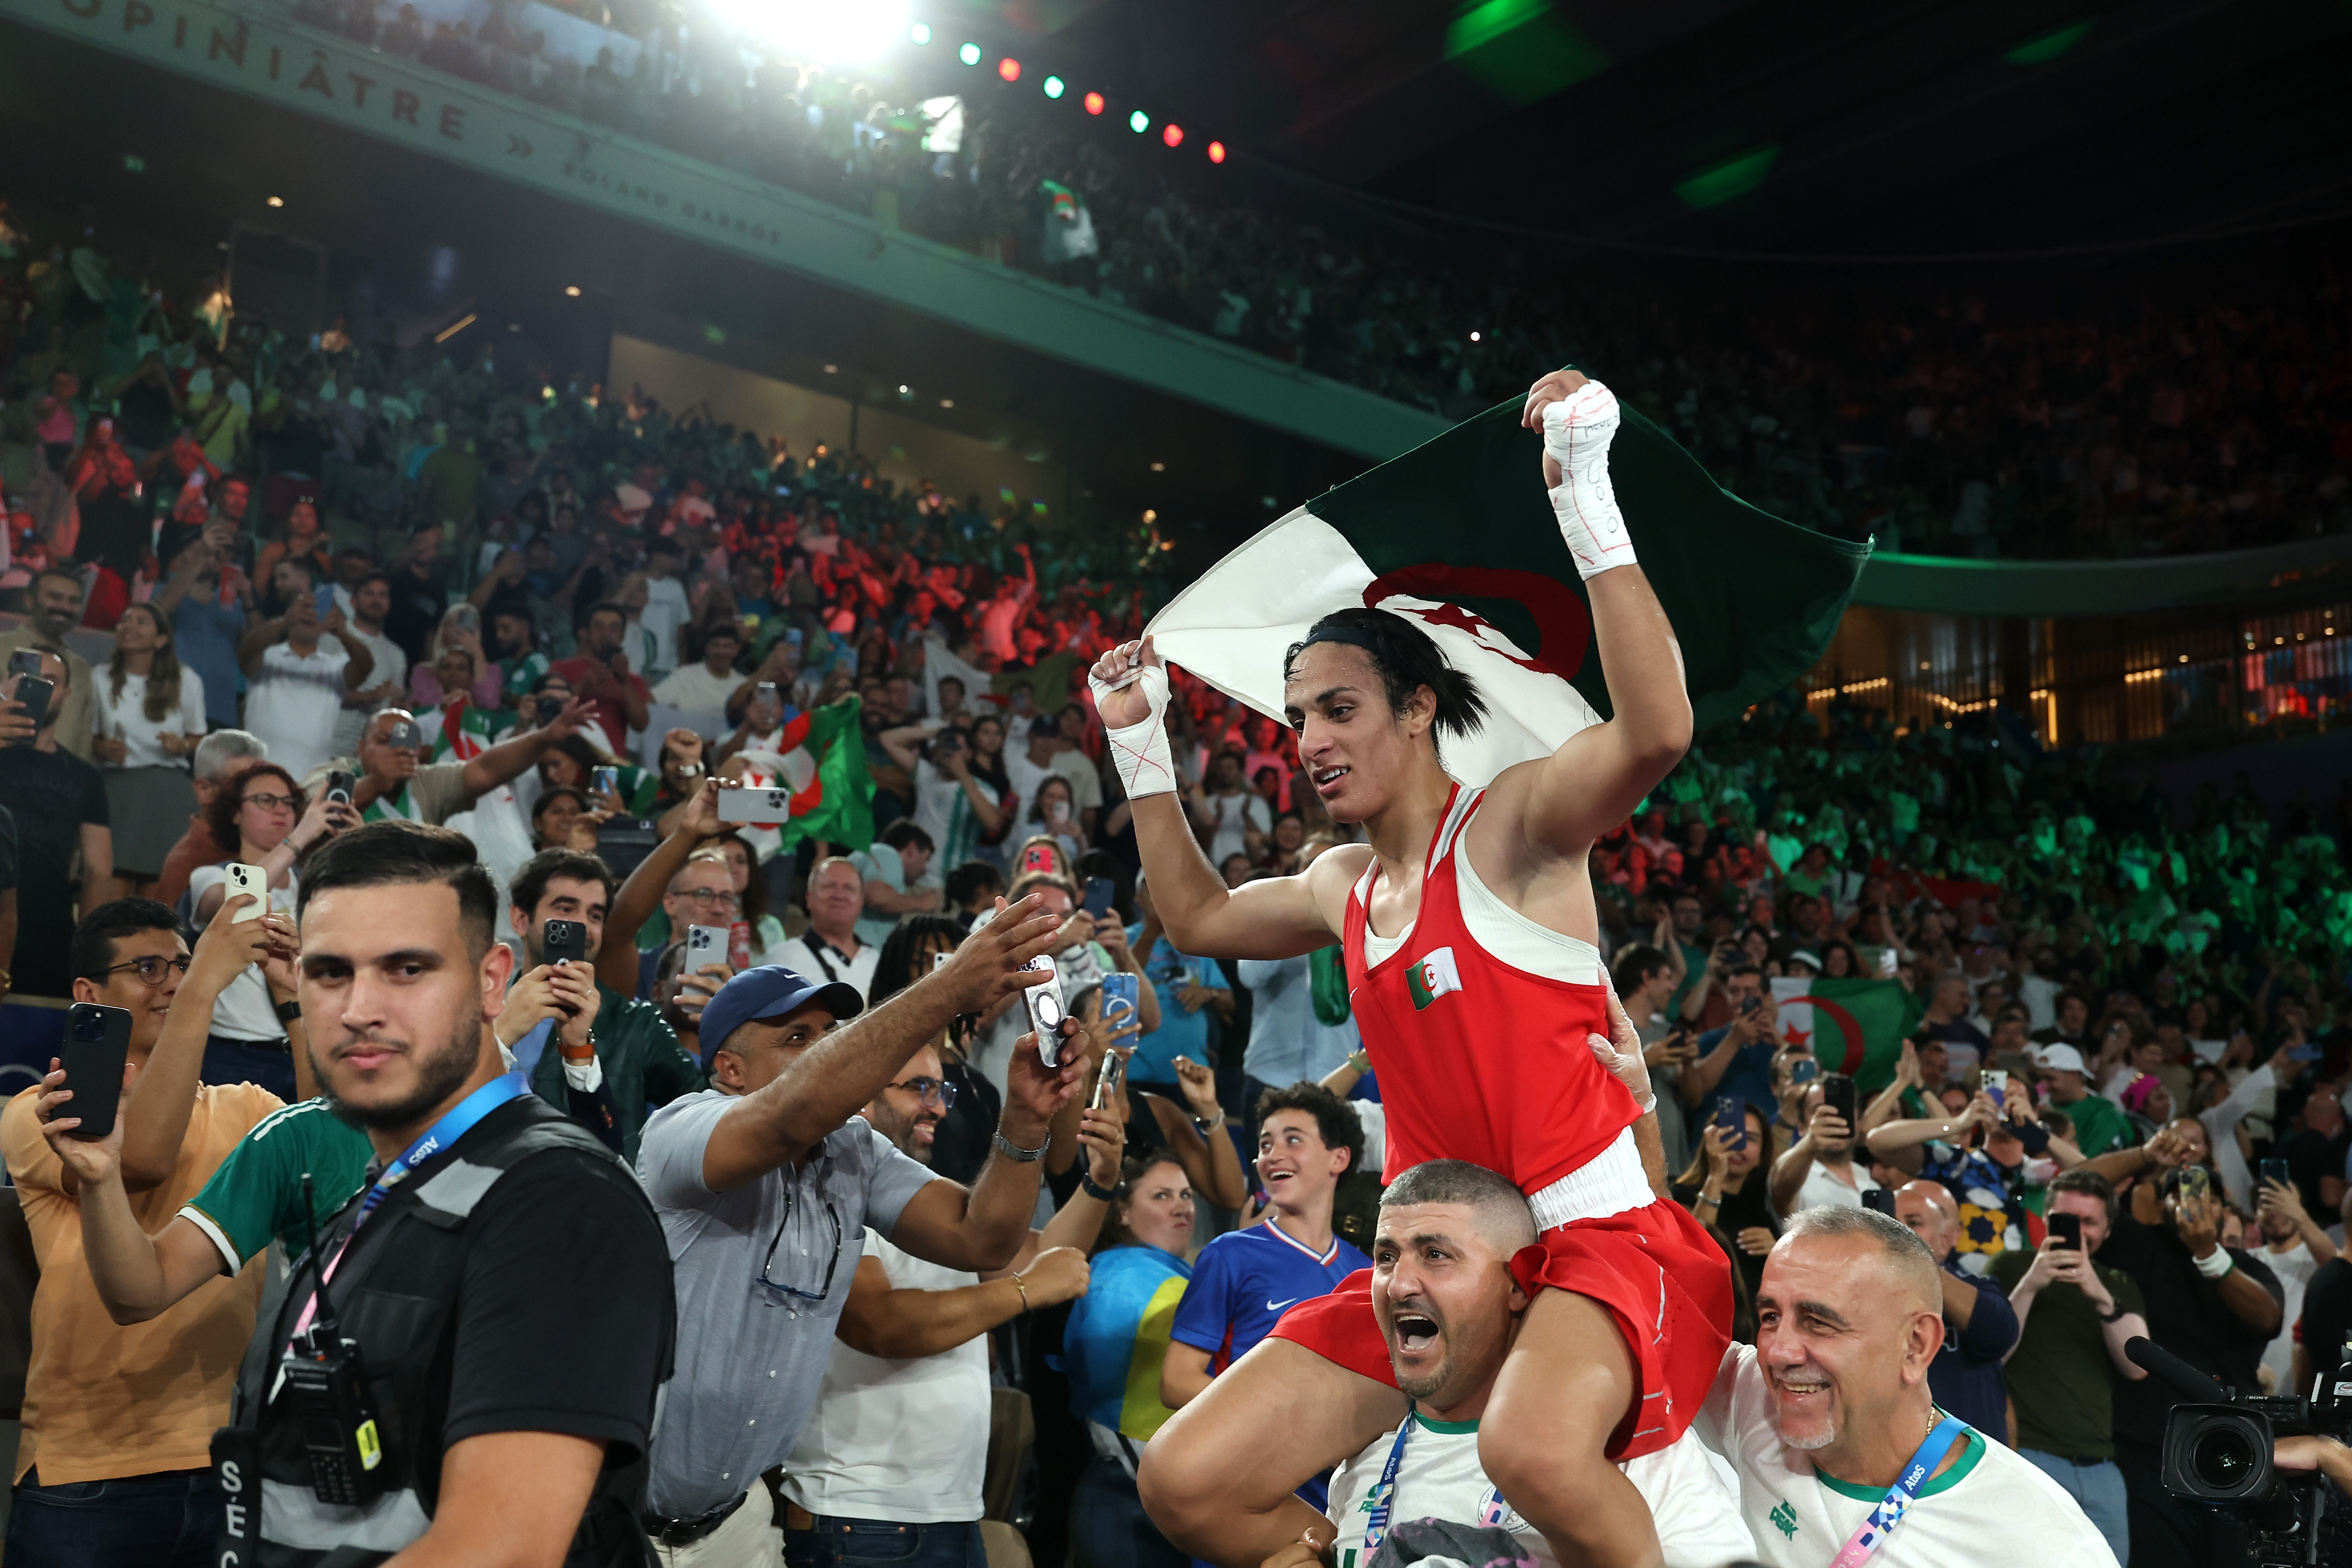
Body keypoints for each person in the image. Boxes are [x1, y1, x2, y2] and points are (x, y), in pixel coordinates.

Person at [1104, 368, 1731, 1568]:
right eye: (1296, 717)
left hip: (1591, 1238)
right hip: (1436, 1258)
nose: (1311, 741)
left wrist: (1584, 496)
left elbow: (1655, 730)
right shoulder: (1342, 884)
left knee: (1536, 1456)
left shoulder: (1512, 827)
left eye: (1337, 708)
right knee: (1184, 1478)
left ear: (1417, 709)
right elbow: (1189, 917)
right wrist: (1140, 740)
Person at [183, 820, 676, 1562]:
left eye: (407, 969)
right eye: (329, 972)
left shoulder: (560, 1199)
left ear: (490, 979)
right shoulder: (399, 1181)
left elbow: (500, 1549)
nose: (359, 1009)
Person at [634, 895, 1085, 1563]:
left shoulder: (853, 1150)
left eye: (830, 1033)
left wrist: (1023, 1120)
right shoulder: (682, 1130)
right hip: (626, 1516)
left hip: (739, 1522)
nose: (825, 1050)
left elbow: (979, 1238)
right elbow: (790, 1113)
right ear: (730, 1070)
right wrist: (947, 988)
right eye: (797, 1038)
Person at [6, 897, 295, 1567]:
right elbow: (140, 1161)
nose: (171, 979)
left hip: (230, 1460)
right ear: (89, 994)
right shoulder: (41, 1112)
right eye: (148, 967)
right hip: (89, 1475)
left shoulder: (247, 1106)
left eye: (183, 965)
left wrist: (296, 1001)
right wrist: (200, 989)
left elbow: (336, 1144)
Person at [1295, 1162, 1751, 1568]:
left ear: (1517, 1283)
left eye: (1435, 1255)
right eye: (1386, 1258)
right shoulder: (1363, 1463)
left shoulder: (1636, 1460)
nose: (1398, 1285)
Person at [778, 1042, 1125, 1567]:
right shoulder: (828, 1198)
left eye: (941, 1089)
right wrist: (1023, 1291)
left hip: (946, 1514)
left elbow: (1049, 1255)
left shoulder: (935, 1208)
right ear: (859, 1100)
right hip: (859, 1517)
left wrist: (1098, 1183)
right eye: (917, 1087)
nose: (938, 1106)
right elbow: (882, 1325)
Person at [1698, 1205, 2120, 1567]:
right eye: (1770, 1316)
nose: (1778, 1353)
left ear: (1916, 1346)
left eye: (1818, 1323)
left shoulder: (2040, 1540)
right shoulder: (1750, 1395)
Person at [2104, 1165, 2285, 1568]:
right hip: (2146, 1454)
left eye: (2210, 1198)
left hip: (2229, 1453)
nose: (2196, 1204)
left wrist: (2208, 1255)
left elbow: (2268, 1319)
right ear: (2160, 1204)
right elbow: (2081, 1186)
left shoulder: (2245, 1267)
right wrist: (2144, 1154)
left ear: (2224, 1211)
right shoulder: (2140, 1246)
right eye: (2181, 1193)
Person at [1163, 1084, 1371, 1430]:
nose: (1273, 1154)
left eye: (1293, 1139)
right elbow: (1177, 1381)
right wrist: (1284, 1421)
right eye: (1265, 1144)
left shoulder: (1367, 1274)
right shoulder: (1228, 1254)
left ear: (1339, 1158)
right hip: (1250, 1477)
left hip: (1334, 1481)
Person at [504, 847, 706, 1161]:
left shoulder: (638, 1025)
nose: (582, 927)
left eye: (595, 915)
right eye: (566, 908)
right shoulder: (473, 1013)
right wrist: (497, 1036)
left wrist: (724, 1025)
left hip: (596, 1198)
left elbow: (712, 1112)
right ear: (520, 919)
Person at [1990, 1169, 2149, 1565]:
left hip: (2101, 1467)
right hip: (2027, 1455)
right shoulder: (2009, 1266)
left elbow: (2137, 1366)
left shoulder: (2116, 1282)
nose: (2076, 1232)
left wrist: (2097, 1292)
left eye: (2089, 1222)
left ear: (2107, 1231)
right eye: (2065, 1220)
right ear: (2044, 1220)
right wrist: (2030, 1284)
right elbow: (1990, 1355)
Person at [187, 762, 358, 1097]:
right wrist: (300, 837)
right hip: (235, 1055)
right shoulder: (210, 875)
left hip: (306, 1048)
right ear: (235, 813)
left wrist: (357, 848)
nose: (281, 810)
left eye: (289, 802)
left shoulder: (318, 884)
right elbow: (238, 901)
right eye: (266, 800)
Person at [1063, 1155, 1197, 1568]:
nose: (1181, 1207)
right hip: (1126, 1500)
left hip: (1160, 1496)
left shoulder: (1176, 1275)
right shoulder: (1118, 1276)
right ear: (1121, 1212)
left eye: (1186, 1195)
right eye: (1162, 1195)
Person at [0, 651, 112, 997]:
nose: (39, 688)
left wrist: (87, 951)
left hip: (51, 932)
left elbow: (99, 869)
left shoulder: (85, 777)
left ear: (67, 693)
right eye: (29, 677)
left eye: (51, 681)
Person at [309, 696, 590, 827]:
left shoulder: (424, 781)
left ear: (419, 754)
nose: (396, 753)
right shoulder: (336, 773)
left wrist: (543, 737)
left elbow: (485, 769)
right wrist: (375, 784)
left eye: (405, 746)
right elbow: (314, 810)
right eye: (384, 742)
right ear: (361, 748)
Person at [1887, 1180, 2017, 1438]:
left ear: (1947, 1238)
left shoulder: (1980, 1287)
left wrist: (1917, 1263)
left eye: (1914, 1223)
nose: (1898, 1232)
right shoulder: (1855, 1295)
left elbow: (1999, 1335)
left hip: (1970, 1458)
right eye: (1890, 1221)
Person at [91, 602, 206, 892]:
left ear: (161, 639)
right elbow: (90, 737)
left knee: (157, 891)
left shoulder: (186, 680)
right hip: (118, 789)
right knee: (111, 885)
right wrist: (105, 749)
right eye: (125, 619)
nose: (130, 626)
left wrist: (181, 744)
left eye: (142, 621)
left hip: (167, 793)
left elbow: (199, 738)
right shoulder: (100, 677)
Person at [236, 579, 376, 781]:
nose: (311, 614)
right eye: (305, 608)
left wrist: (342, 633)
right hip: (258, 775)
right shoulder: (268, 658)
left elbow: (366, 666)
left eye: (318, 610)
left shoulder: (335, 667)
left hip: (313, 780)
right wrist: (285, 621)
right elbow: (246, 652)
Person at [1671, 1104, 1779, 1342]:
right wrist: (1716, 1175)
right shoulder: (1682, 1194)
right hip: (1705, 1327)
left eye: (1750, 1139)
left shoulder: (1762, 1205)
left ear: (1763, 1155)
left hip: (1756, 1334)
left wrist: (1777, 1250)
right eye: (1730, 1135)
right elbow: (1693, 1249)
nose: (1738, 1146)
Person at [152, 729, 266, 907]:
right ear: (205, 790)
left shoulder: (266, 845)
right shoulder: (186, 864)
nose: (259, 798)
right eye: (241, 786)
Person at [0, 565, 98, 760]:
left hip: (60, 783)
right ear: (29, 601)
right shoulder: (2, 647)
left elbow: (83, 738)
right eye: (55, 597)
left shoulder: (81, 668)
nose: (64, 607)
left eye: (74, 601)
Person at [2254, 1173, 2335, 1393]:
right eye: (2267, 1203)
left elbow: (2339, 1269)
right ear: (2256, 1215)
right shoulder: (2249, 1261)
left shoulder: (2317, 1258)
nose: (2277, 1211)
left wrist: (2298, 1214)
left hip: (2304, 1384)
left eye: (2285, 1202)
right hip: (2256, 1386)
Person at [777, 854, 880, 1002]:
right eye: (829, 886)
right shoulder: (782, 959)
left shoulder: (879, 962)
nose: (839, 895)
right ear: (809, 898)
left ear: (861, 903)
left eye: (849, 888)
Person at [554, 600, 653, 745]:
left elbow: (641, 725)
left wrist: (624, 683)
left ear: (622, 636)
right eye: (599, 627)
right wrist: (584, 684)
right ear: (586, 633)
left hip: (611, 762)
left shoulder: (633, 681)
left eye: (614, 629)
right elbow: (551, 711)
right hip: (568, 757)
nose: (606, 634)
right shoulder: (562, 669)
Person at [852, 819, 941, 948]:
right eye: (926, 859)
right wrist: (922, 903)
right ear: (912, 849)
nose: (925, 869)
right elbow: (877, 897)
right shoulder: (888, 854)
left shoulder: (873, 855)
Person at [2036, 1044, 2132, 1159]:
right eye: (2041, 1079)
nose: (2044, 1087)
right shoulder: (2041, 1108)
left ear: (2073, 1075)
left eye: (2050, 1079)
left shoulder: (2105, 1113)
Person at [653, 620, 746, 714]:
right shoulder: (685, 675)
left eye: (727, 647)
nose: (721, 652)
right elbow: (654, 699)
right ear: (707, 648)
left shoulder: (743, 685)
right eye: (715, 645)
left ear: (736, 650)